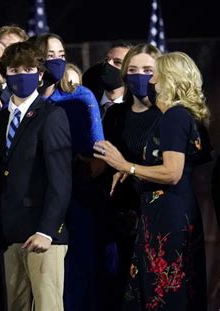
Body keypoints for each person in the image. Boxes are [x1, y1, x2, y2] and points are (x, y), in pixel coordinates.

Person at [94, 51, 209, 310]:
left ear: (168, 80)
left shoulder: (174, 117)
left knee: (167, 294)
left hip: (168, 218)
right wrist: (138, 168)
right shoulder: (178, 117)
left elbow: (172, 172)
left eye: (154, 75)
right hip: (170, 214)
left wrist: (126, 165)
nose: (151, 82)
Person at [0, 41, 71, 311]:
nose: (21, 75)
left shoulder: (52, 116)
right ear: (5, 74)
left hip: (43, 234)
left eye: (29, 69)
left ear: (40, 75)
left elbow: (61, 180)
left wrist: (47, 230)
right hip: (9, 233)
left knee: (47, 306)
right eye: (15, 70)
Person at [29, 32, 106, 311]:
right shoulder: (26, 102)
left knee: (79, 271)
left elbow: (99, 152)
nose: (58, 61)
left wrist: (83, 170)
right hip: (36, 198)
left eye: (61, 55)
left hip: (78, 193)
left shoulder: (80, 97)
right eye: (50, 56)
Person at [102, 44, 163, 309]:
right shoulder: (115, 114)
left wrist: (126, 166)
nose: (141, 77)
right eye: (134, 70)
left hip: (159, 217)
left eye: (148, 70)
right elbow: (104, 161)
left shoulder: (169, 115)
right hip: (120, 218)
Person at [83, 41, 132, 117]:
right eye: (107, 59)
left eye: (117, 62)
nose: (108, 65)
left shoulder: (135, 109)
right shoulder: (85, 104)